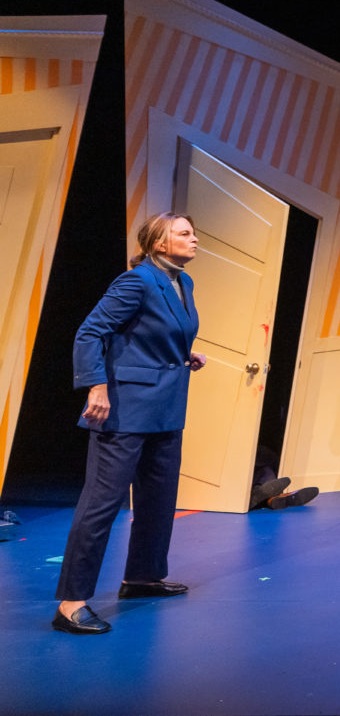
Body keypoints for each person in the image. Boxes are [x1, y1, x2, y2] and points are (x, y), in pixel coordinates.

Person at [53, 213, 208, 634]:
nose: (194, 239)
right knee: (101, 504)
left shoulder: (183, 282)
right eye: (184, 233)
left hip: (166, 407)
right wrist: (96, 386)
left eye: (193, 233)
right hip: (124, 410)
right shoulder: (136, 281)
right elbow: (90, 333)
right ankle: (71, 603)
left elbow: (154, 335)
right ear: (159, 243)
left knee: (159, 499)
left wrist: (183, 355)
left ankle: (142, 577)